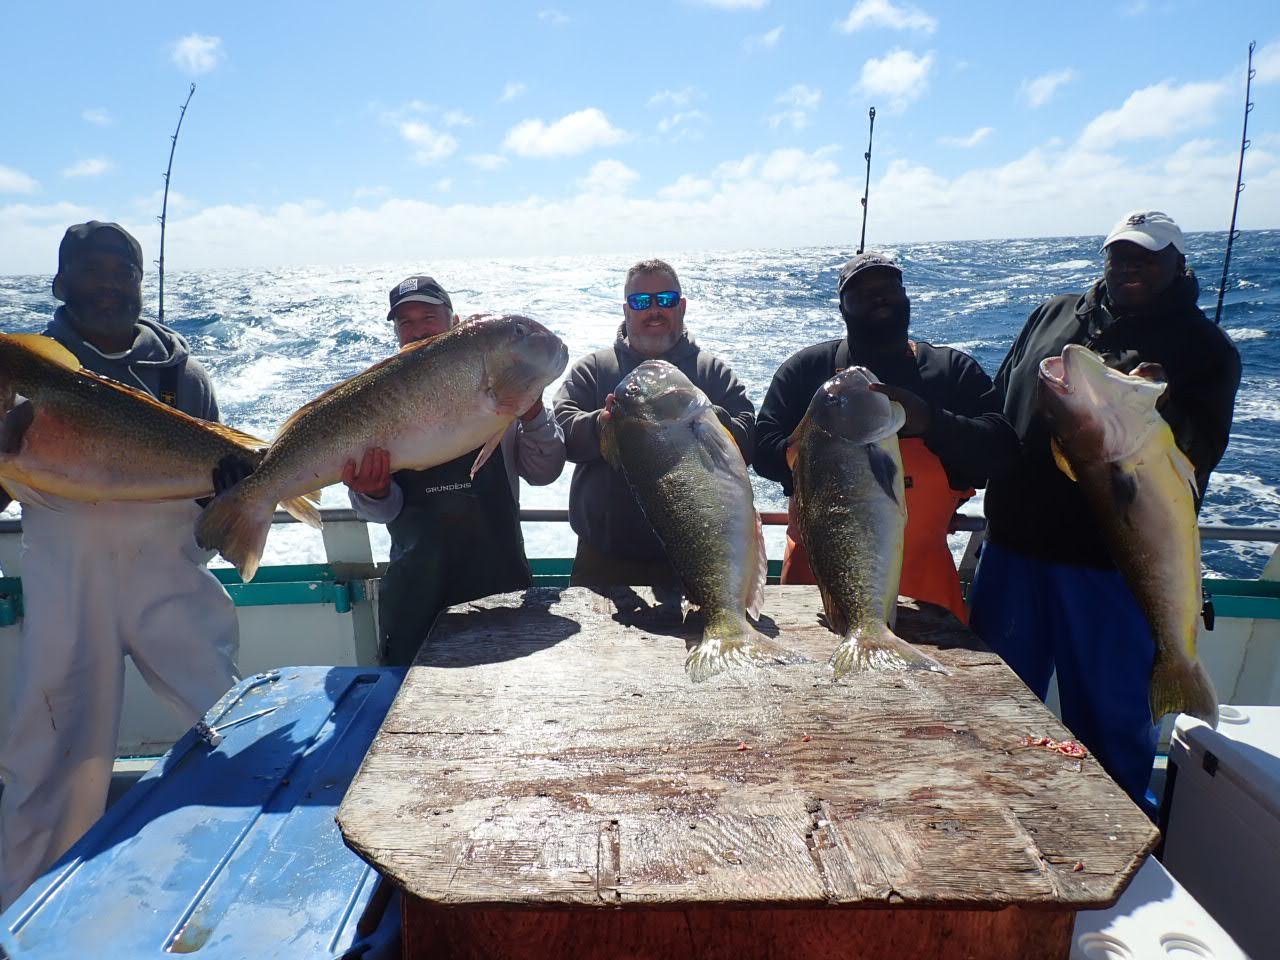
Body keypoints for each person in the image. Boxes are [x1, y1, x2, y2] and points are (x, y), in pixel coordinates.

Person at [0, 221, 246, 909]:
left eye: (123, 271)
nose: (109, 283)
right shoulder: (22, 372)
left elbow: (213, 508)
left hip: (169, 571)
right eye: (90, 270)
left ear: (141, 284)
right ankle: (22, 911)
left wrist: (233, 491)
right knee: (49, 750)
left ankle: (245, 875)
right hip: (65, 577)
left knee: (227, 720)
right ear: (59, 284)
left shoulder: (181, 375)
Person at [969, 210, 1242, 812]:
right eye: (1120, 255)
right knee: (992, 711)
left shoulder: (1205, 348)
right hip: (1011, 553)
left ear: (1178, 262)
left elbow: (1201, 450)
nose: (1130, 267)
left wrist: (1157, 405)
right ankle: (997, 821)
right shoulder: (1053, 314)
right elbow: (1000, 401)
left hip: (1110, 570)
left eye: (1147, 256)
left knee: (1111, 726)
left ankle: (1121, 842)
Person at [754, 251, 1018, 622]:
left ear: (907, 297)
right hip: (816, 593)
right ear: (843, 308)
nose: (878, 297)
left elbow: (1003, 452)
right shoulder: (805, 371)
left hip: (926, 599)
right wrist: (821, 443)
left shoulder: (950, 371)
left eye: (888, 288)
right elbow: (761, 449)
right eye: (861, 292)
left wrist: (930, 421)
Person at [343, 275, 566, 666]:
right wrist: (373, 491)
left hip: (501, 586)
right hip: (416, 596)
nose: (416, 330)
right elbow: (379, 512)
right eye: (405, 322)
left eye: (427, 317)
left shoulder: (497, 387)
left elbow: (545, 471)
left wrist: (532, 413)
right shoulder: (381, 399)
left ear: (455, 321)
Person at [553, 258, 756, 587]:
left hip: (700, 555)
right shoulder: (593, 370)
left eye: (665, 300)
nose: (654, 310)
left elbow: (748, 438)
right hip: (603, 562)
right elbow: (561, 431)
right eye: (641, 302)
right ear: (626, 310)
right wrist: (608, 424)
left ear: (682, 307)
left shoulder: (711, 373)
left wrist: (704, 420)